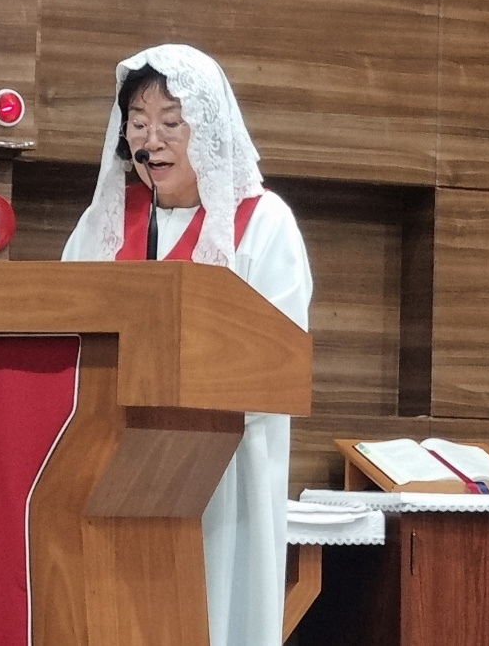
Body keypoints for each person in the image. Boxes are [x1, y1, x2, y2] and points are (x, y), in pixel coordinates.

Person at [62, 43, 312, 646]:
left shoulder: (262, 222)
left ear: (209, 126)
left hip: (219, 471)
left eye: (172, 123)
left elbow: (279, 356)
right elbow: (63, 325)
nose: (153, 141)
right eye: (139, 124)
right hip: (106, 461)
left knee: (211, 615)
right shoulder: (104, 223)